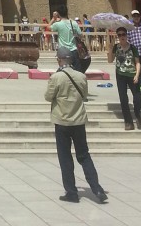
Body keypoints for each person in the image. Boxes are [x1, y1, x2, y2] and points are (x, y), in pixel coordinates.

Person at [44, 49, 108, 204]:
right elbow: (84, 95)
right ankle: (97, 188)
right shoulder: (81, 76)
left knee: (65, 157)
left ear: (59, 60)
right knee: (84, 155)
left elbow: (48, 97)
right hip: (78, 120)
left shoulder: (56, 77)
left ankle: (71, 192)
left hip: (62, 120)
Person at [107, 26, 141, 130]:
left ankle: (138, 114)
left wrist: (137, 75)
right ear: (117, 36)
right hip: (121, 75)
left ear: (126, 35)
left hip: (132, 75)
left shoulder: (132, 48)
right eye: (119, 35)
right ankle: (128, 121)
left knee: (137, 98)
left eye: (123, 34)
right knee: (123, 99)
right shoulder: (116, 47)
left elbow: (137, 63)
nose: (122, 37)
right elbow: (110, 60)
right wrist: (110, 50)